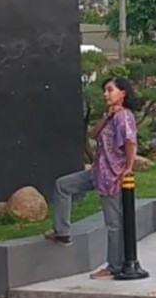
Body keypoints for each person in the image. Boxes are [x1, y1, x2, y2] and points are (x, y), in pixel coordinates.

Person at [45, 77, 139, 279]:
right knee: (63, 185)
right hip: (97, 172)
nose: (106, 94)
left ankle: (114, 265)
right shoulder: (112, 116)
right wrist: (106, 116)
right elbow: (94, 134)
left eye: (110, 90)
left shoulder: (124, 117)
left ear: (122, 93)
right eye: (105, 90)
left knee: (114, 223)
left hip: (112, 177)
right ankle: (62, 231)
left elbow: (130, 142)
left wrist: (128, 168)